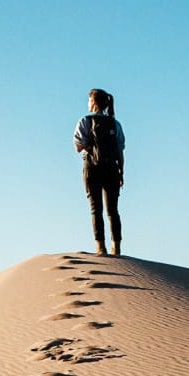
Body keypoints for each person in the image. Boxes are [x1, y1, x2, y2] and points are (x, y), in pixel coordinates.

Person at [73, 88, 125, 256]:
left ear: (93, 102)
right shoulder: (115, 124)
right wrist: (121, 172)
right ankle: (116, 248)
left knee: (96, 209)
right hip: (111, 169)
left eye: (89, 100)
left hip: (91, 168)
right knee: (113, 210)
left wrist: (90, 147)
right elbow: (120, 150)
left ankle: (100, 248)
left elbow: (78, 146)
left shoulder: (85, 121)